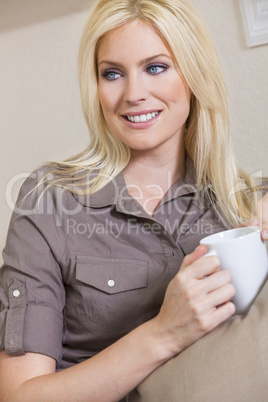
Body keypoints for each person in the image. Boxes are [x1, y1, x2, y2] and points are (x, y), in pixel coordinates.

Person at [0, 0, 267, 401]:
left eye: (155, 67)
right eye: (112, 74)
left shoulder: (243, 204)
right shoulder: (49, 200)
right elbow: (21, 395)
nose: (133, 94)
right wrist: (164, 332)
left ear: (194, 75)